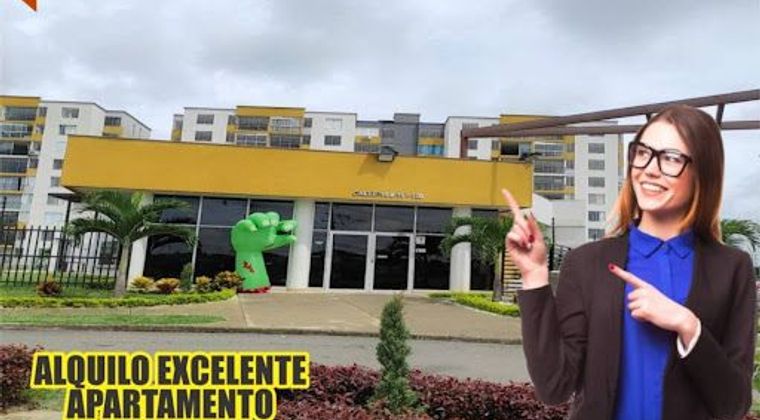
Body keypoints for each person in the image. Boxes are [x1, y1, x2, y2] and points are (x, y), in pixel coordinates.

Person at [502, 104, 756, 419]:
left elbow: (734, 404)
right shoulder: (587, 263)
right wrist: (534, 277)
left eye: (670, 158)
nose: (649, 169)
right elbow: (554, 386)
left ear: (702, 172)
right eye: (643, 153)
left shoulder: (732, 268)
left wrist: (688, 326)